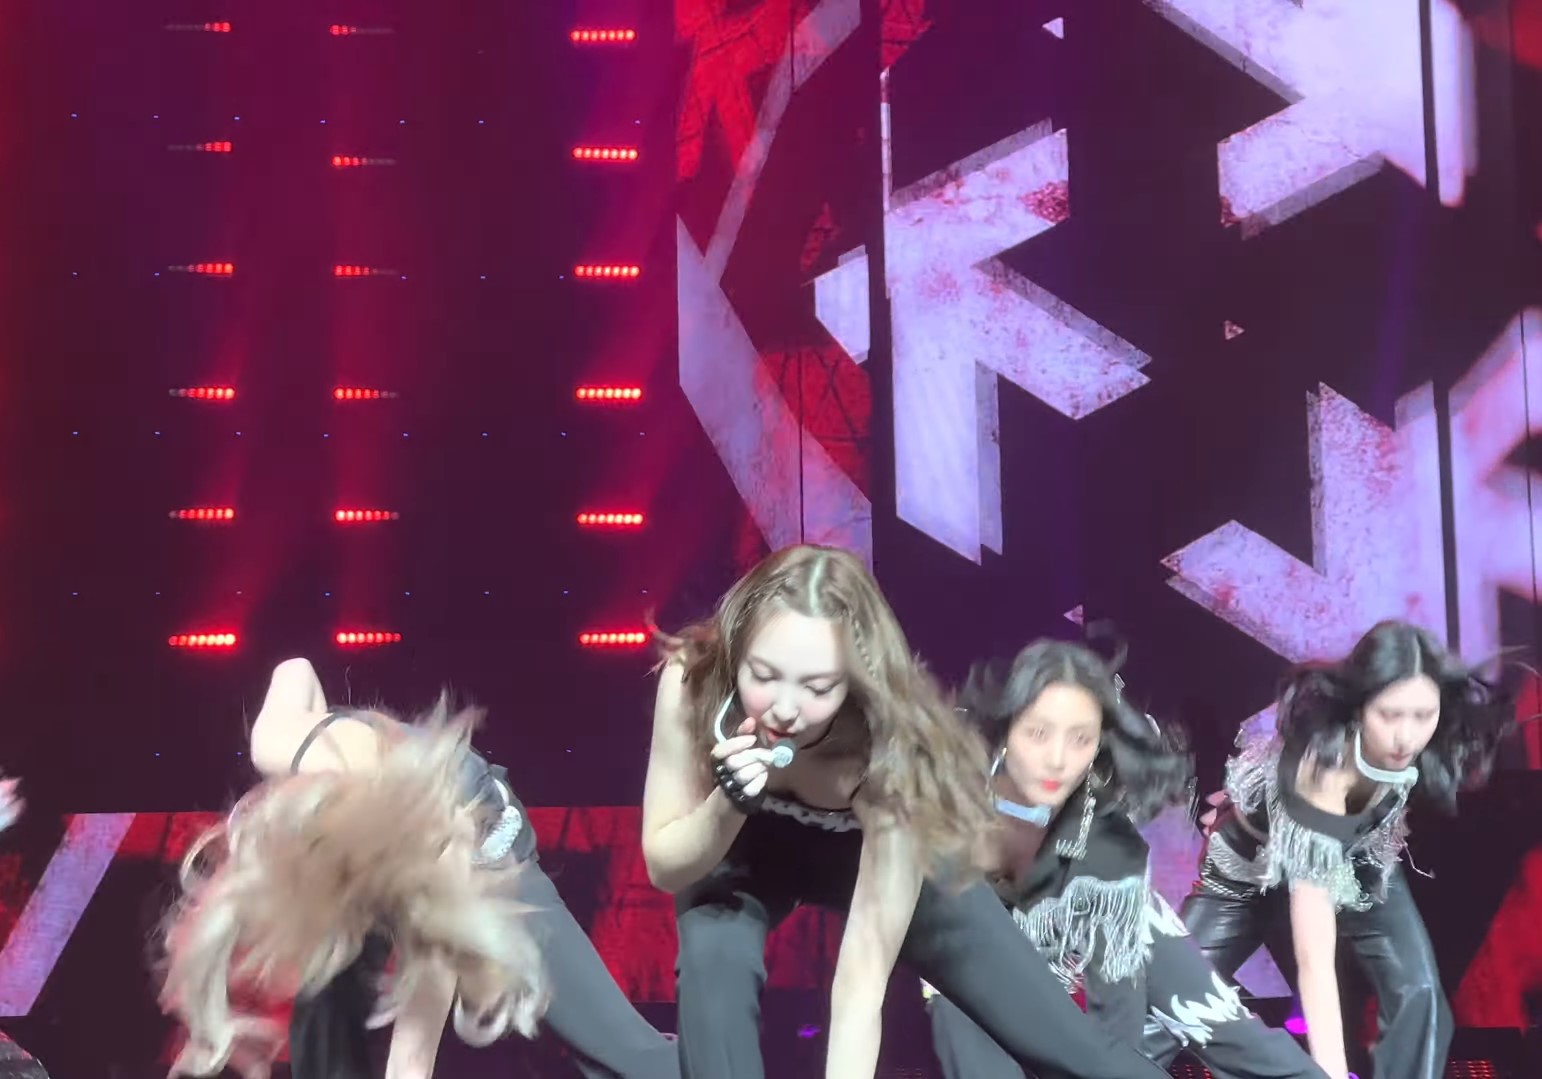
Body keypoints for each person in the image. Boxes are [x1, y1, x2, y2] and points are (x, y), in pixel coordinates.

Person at [643, 544, 1171, 1079]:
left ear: (854, 677)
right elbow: (666, 868)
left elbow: (861, 984)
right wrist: (728, 803)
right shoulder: (693, 679)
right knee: (713, 962)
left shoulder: (887, 743)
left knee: (1067, 1044)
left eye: (817, 687)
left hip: (875, 852)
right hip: (741, 843)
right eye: (762, 674)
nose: (783, 708)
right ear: (738, 647)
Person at [160, 658, 680, 1079]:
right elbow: (295, 669)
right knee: (324, 1019)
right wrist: (205, 1038)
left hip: (485, 855)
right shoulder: (282, 747)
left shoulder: (437, 858)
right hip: (371, 816)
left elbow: (415, 1046)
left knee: (619, 1050)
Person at [925, 637, 1326, 1079]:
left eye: (1081, 739)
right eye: (1038, 733)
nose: (1058, 759)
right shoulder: (954, 821)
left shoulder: (1105, 847)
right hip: (975, 953)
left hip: (1096, 927)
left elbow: (1143, 1026)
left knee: (1234, 1033)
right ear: (1006, 731)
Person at [1155, 621, 1514, 1079]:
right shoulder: (1324, 770)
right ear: (1358, 705)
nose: (1406, 737)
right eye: (1390, 715)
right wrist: (1332, 1073)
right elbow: (1315, 960)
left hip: (1360, 862)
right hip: (1251, 875)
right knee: (1164, 1004)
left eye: (1422, 715)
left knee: (1419, 994)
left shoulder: (1429, 738)